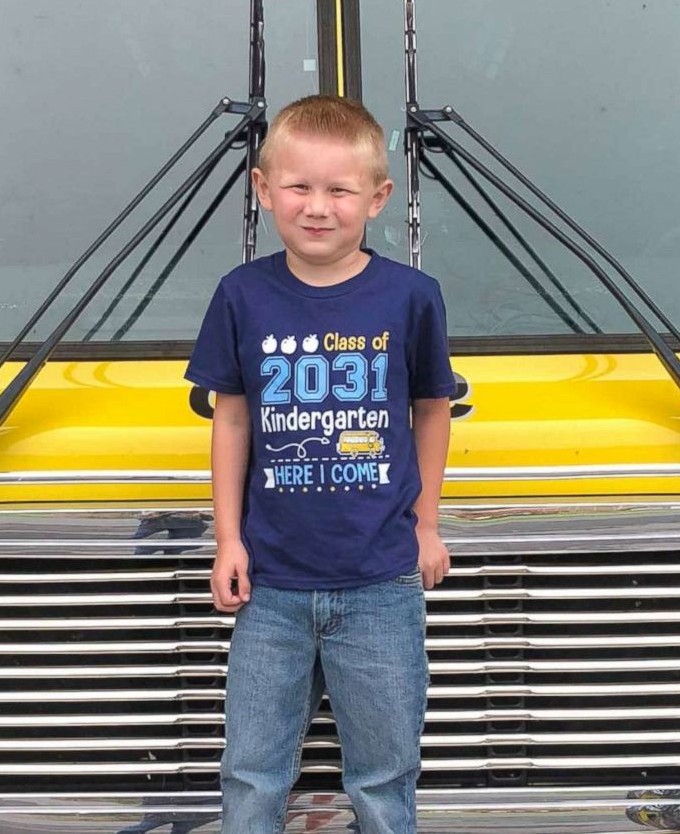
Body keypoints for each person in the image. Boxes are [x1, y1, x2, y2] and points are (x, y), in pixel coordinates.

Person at [185, 94, 455, 834]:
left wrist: (426, 525)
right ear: (264, 189)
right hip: (270, 586)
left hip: (381, 583)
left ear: (378, 198)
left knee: (384, 776)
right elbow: (230, 415)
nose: (318, 207)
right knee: (250, 772)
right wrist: (228, 540)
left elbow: (432, 408)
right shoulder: (241, 296)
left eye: (340, 190)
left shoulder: (412, 297)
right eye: (299, 187)